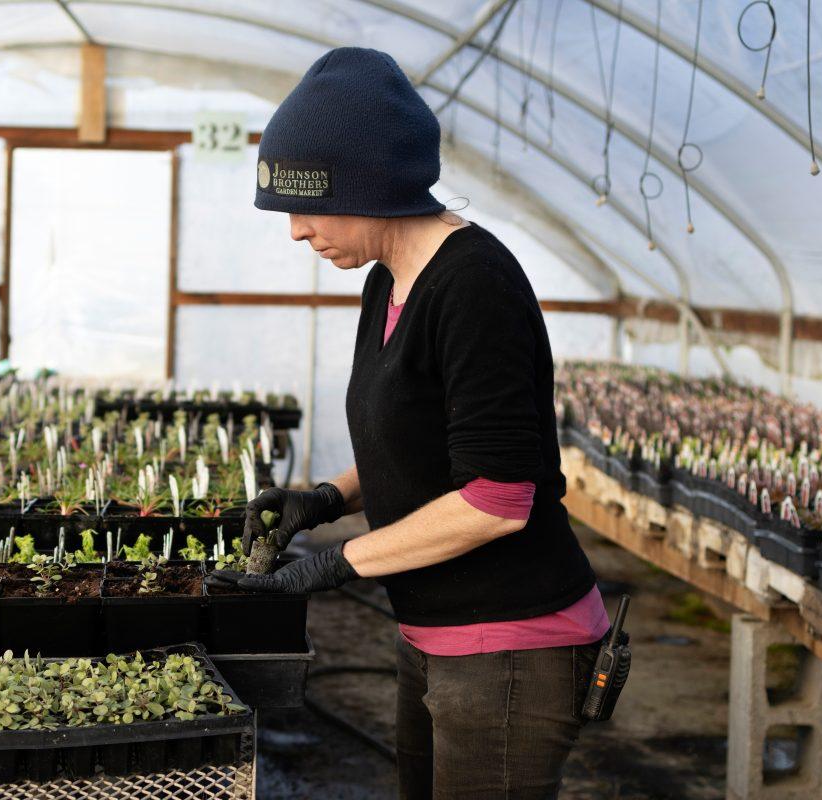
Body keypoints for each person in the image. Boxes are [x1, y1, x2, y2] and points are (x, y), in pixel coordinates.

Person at [207, 48, 609, 799]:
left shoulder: (474, 285)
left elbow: (496, 498)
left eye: (308, 208)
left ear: (372, 185)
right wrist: (325, 498)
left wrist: (336, 562)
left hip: (510, 643)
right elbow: (416, 439)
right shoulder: (388, 279)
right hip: (433, 629)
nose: (296, 232)